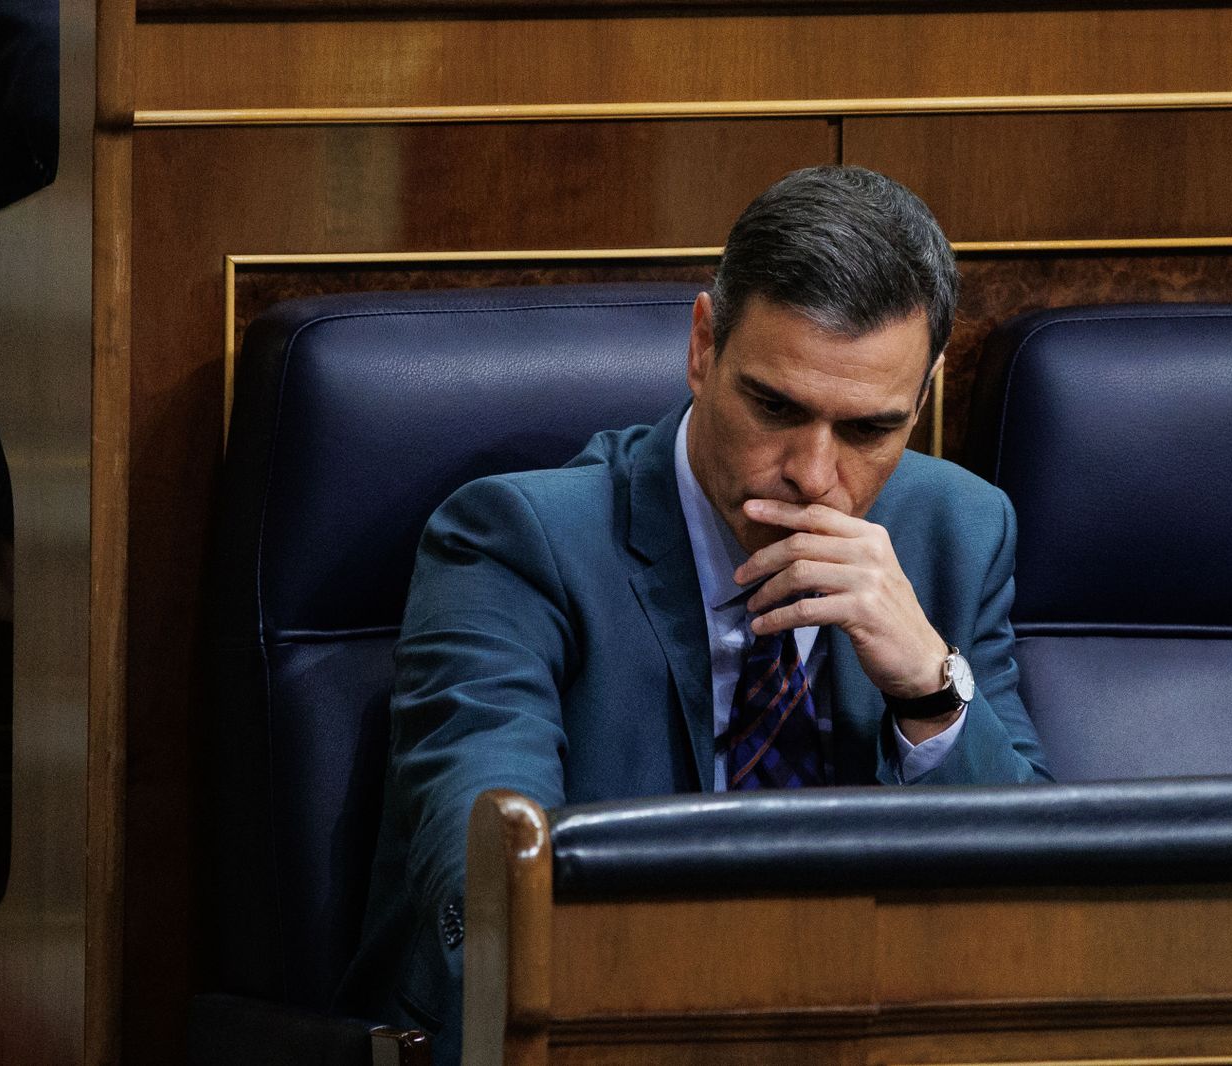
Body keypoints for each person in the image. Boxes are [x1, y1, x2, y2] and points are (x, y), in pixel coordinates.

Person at [338, 165, 1052, 1063]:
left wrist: (931, 692)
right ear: (704, 346)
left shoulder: (959, 530)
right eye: (775, 406)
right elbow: (487, 886)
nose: (813, 474)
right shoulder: (516, 543)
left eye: (870, 429)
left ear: (925, 393)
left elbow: (1043, 904)